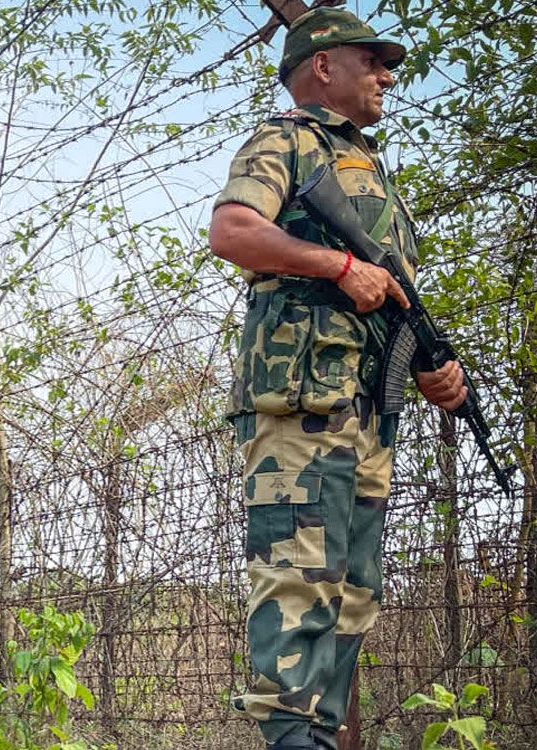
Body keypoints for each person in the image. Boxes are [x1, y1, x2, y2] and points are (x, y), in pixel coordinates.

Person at [208, 8, 470, 750]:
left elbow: (392, 298)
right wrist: (339, 265)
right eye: (372, 60)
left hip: (365, 413)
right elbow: (232, 230)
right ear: (323, 65)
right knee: (299, 586)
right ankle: (293, 738)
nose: (387, 74)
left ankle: (315, 736)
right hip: (303, 403)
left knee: (354, 599)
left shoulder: (369, 165)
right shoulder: (286, 139)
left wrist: (432, 371)